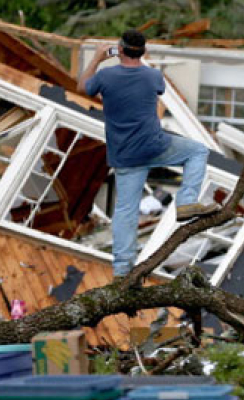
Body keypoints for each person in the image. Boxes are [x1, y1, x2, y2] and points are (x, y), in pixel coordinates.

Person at [78, 29, 220, 277]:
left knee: (126, 210)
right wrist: (142, 59)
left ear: (118, 50)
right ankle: (186, 202)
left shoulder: (105, 76)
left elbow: (82, 87)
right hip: (154, 146)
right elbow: (149, 86)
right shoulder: (153, 75)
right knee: (197, 151)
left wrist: (97, 58)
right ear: (143, 52)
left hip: (125, 155)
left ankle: (122, 268)